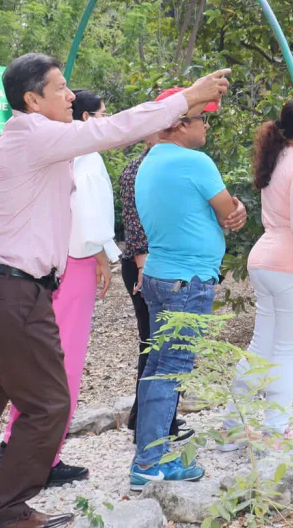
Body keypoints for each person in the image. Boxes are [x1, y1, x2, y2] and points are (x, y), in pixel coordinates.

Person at [0, 55, 229, 528]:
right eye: (61, 88)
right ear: (32, 99)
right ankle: (7, 511)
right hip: (15, 295)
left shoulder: (30, 139)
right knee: (49, 406)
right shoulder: (36, 136)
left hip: (0, 290)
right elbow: (114, 130)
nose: (71, 96)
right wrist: (186, 99)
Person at [0, 91, 121, 488]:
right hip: (74, 259)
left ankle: (17, 442)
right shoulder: (80, 147)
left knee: (41, 359)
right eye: (102, 114)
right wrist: (101, 252)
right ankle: (42, 457)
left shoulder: (43, 142)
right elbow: (88, 212)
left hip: (50, 261)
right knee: (63, 362)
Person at [131, 87, 248, 489]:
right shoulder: (196, 162)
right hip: (188, 282)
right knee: (172, 371)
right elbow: (229, 213)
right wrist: (238, 212)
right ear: (181, 123)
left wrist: (231, 214)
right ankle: (150, 463)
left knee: (155, 368)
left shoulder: (149, 162)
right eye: (202, 118)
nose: (206, 126)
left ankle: (146, 455)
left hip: (160, 277)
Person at [219, 96, 293, 446]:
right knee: (289, 349)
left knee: (262, 347)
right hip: (290, 266)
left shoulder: (285, 159)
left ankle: (232, 426)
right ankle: (276, 429)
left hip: (268, 261)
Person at [118, 133, 191, 443]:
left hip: (160, 265)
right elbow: (135, 227)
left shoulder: (165, 166)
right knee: (158, 346)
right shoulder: (140, 169)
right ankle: (157, 428)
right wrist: (142, 269)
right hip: (148, 266)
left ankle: (146, 418)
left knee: (157, 345)